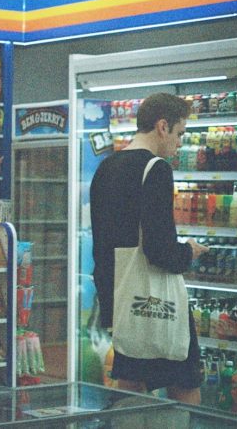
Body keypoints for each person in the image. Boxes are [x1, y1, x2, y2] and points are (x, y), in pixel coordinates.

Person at [90, 92, 209, 404]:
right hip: (156, 303)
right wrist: (189, 252)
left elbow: (100, 247)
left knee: (130, 382)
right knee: (185, 383)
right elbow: (159, 249)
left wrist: (109, 309)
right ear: (162, 126)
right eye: (180, 133)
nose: (180, 143)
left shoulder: (106, 168)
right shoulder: (156, 169)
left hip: (121, 299)